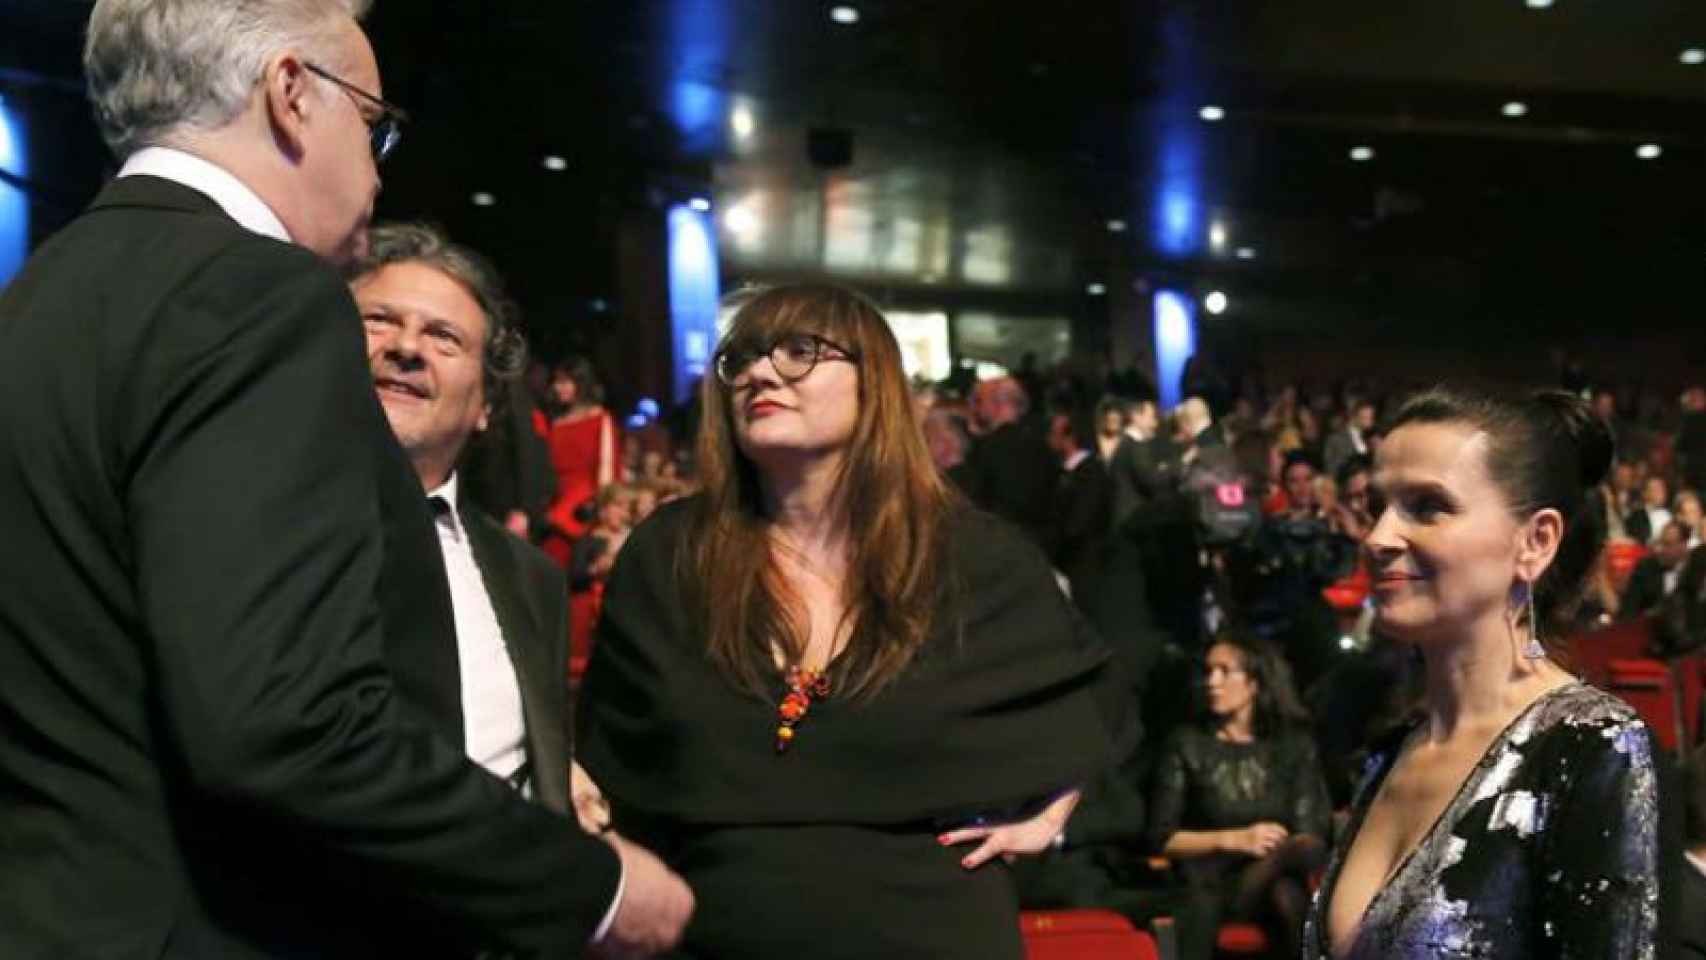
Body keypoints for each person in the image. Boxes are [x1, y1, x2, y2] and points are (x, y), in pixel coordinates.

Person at [0, 2, 691, 957]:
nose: (374, 172)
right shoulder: (260, 294)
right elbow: (285, 722)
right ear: (290, 94)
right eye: (373, 126)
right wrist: (596, 887)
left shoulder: (41, 292)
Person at [575, 283, 1134, 959]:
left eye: (799, 350)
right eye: (741, 358)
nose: (760, 371)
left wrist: (1052, 818)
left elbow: (1097, 703)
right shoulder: (672, 554)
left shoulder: (969, 555)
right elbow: (607, 744)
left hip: (931, 929)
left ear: (875, 383)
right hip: (717, 932)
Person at [1305, 387, 1662, 959]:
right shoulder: (1391, 748)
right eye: (1377, 507)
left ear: (1535, 542)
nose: (1376, 538)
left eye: (1428, 507)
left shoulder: (1587, 746)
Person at [1147, 632, 1331, 960]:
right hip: (1209, 883)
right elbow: (1162, 839)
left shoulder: (1292, 746)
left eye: (1224, 671)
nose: (1211, 682)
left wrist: (1276, 848)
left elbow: (1310, 831)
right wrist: (1236, 839)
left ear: (1255, 683)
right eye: (1207, 671)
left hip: (1273, 877)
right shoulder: (1186, 744)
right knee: (1297, 859)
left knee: (1288, 893)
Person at [542, 355, 619, 564]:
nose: (558, 388)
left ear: (581, 384)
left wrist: (600, 510)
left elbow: (607, 470)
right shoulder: (555, 423)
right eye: (556, 382)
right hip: (552, 512)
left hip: (584, 512)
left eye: (565, 382)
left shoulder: (600, 419)